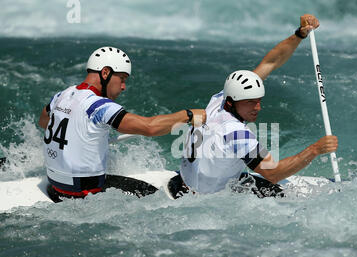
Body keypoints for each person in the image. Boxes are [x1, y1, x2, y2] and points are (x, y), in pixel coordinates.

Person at [176, 14, 338, 197]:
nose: (258, 107)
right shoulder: (237, 134)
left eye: (259, 100)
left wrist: (299, 35)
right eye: (251, 102)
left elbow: (270, 63)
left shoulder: (219, 101)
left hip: (184, 182)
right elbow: (273, 173)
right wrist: (315, 149)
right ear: (232, 102)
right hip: (207, 199)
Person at [38, 46, 206, 202]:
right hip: (85, 194)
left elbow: (44, 121)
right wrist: (188, 115)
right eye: (122, 79)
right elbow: (149, 127)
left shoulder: (63, 95)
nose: (124, 87)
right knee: (156, 198)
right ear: (105, 73)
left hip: (56, 187)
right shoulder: (99, 106)